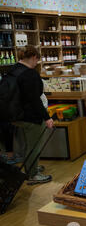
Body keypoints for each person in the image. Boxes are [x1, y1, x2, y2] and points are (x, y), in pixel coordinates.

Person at [10, 46, 54, 185]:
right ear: (34, 57)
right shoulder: (30, 74)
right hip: (30, 117)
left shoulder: (13, 70)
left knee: (26, 144)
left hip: (13, 115)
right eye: (37, 60)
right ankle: (33, 174)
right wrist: (47, 117)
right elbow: (35, 100)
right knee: (34, 146)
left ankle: (31, 167)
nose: (37, 63)